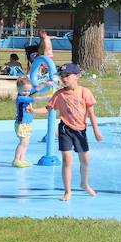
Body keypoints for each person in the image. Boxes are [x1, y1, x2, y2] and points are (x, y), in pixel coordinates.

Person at [46, 63, 103, 201]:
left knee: (85, 161)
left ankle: (84, 183)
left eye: (67, 75)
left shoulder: (85, 92)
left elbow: (91, 112)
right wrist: (34, 110)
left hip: (81, 130)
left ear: (77, 76)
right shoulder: (59, 94)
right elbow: (49, 108)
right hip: (65, 128)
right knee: (67, 160)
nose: (64, 78)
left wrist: (96, 130)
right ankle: (67, 191)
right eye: (62, 76)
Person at [11, 76, 48, 167]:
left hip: (26, 124)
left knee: (26, 143)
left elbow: (37, 89)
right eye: (24, 91)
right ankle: (16, 160)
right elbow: (35, 99)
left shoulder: (26, 93)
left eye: (28, 91)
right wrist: (48, 97)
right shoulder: (21, 98)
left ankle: (21, 160)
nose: (27, 92)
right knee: (23, 142)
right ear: (18, 89)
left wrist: (47, 84)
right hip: (21, 124)